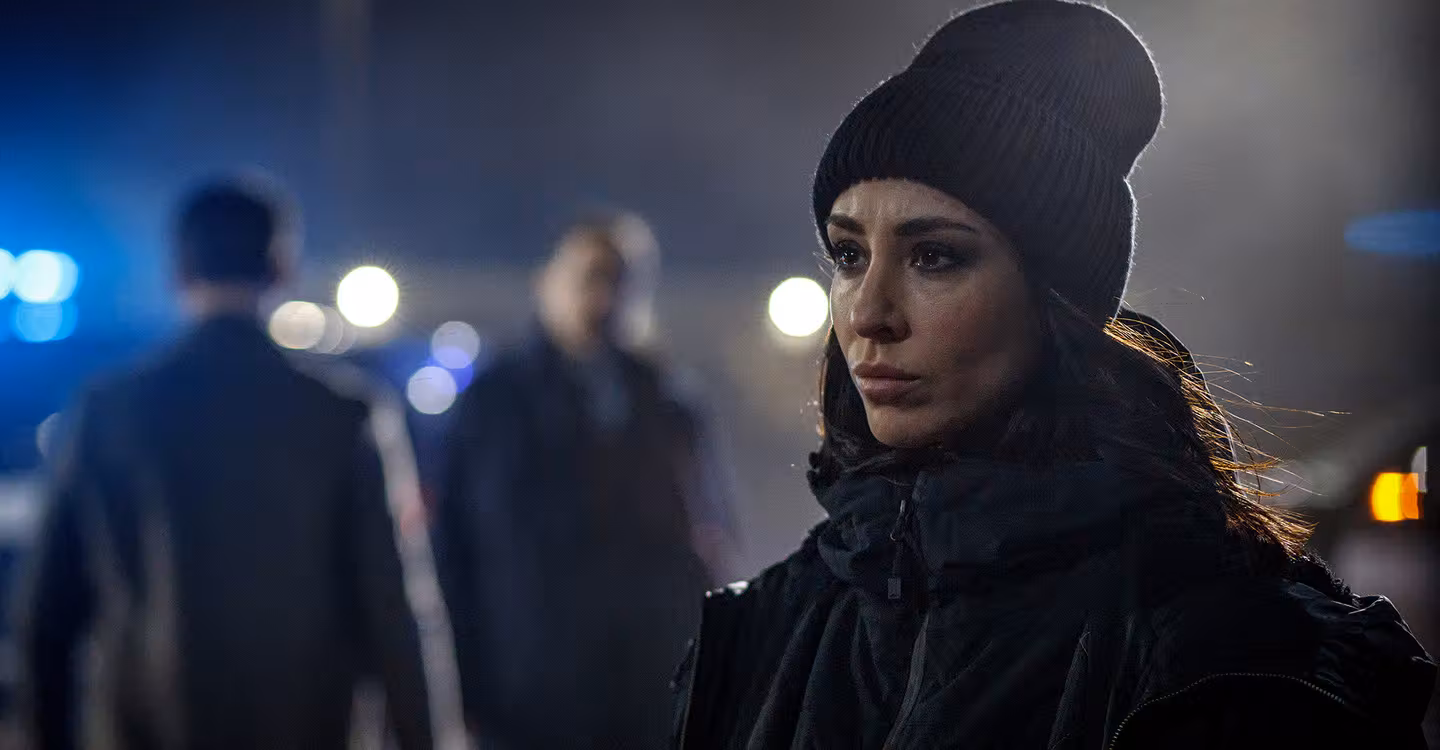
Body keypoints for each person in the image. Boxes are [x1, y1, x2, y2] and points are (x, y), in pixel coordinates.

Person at [672, 2, 1435, 748]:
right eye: (848, 254)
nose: (868, 312)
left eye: (934, 256)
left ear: (1055, 299)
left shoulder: (1229, 658)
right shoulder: (761, 631)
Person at [16, 179, 442, 750]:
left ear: (178, 271)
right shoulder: (344, 417)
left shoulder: (108, 413)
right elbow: (393, 614)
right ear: (282, 268)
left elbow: (47, 616)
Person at [435, 215, 736, 749]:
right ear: (548, 283)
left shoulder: (667, 400)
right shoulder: (496, 402)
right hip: (531, 688)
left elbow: (709, 532)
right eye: (588, 278)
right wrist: (465, 688)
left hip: (646, 684)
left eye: (618, 281)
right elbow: (455, 551)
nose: (602, 298)